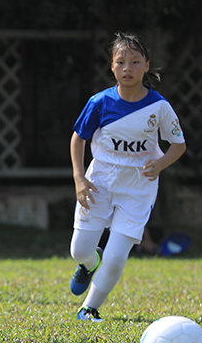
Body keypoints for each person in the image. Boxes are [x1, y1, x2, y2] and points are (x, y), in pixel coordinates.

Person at [68, 32, 186, 321]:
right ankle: (88, 262)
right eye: (121, 62)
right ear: (112, 66)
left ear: (146, 65)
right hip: (99, 182)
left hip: (138, 188)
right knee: (78, 251)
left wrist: (160, 164)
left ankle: (90, 307)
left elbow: (179, 145)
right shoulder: (99, 102)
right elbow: (77, 139)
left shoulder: (159, 107)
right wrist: (79, 179)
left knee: (118, 255)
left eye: (135, 62)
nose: (128, 68)